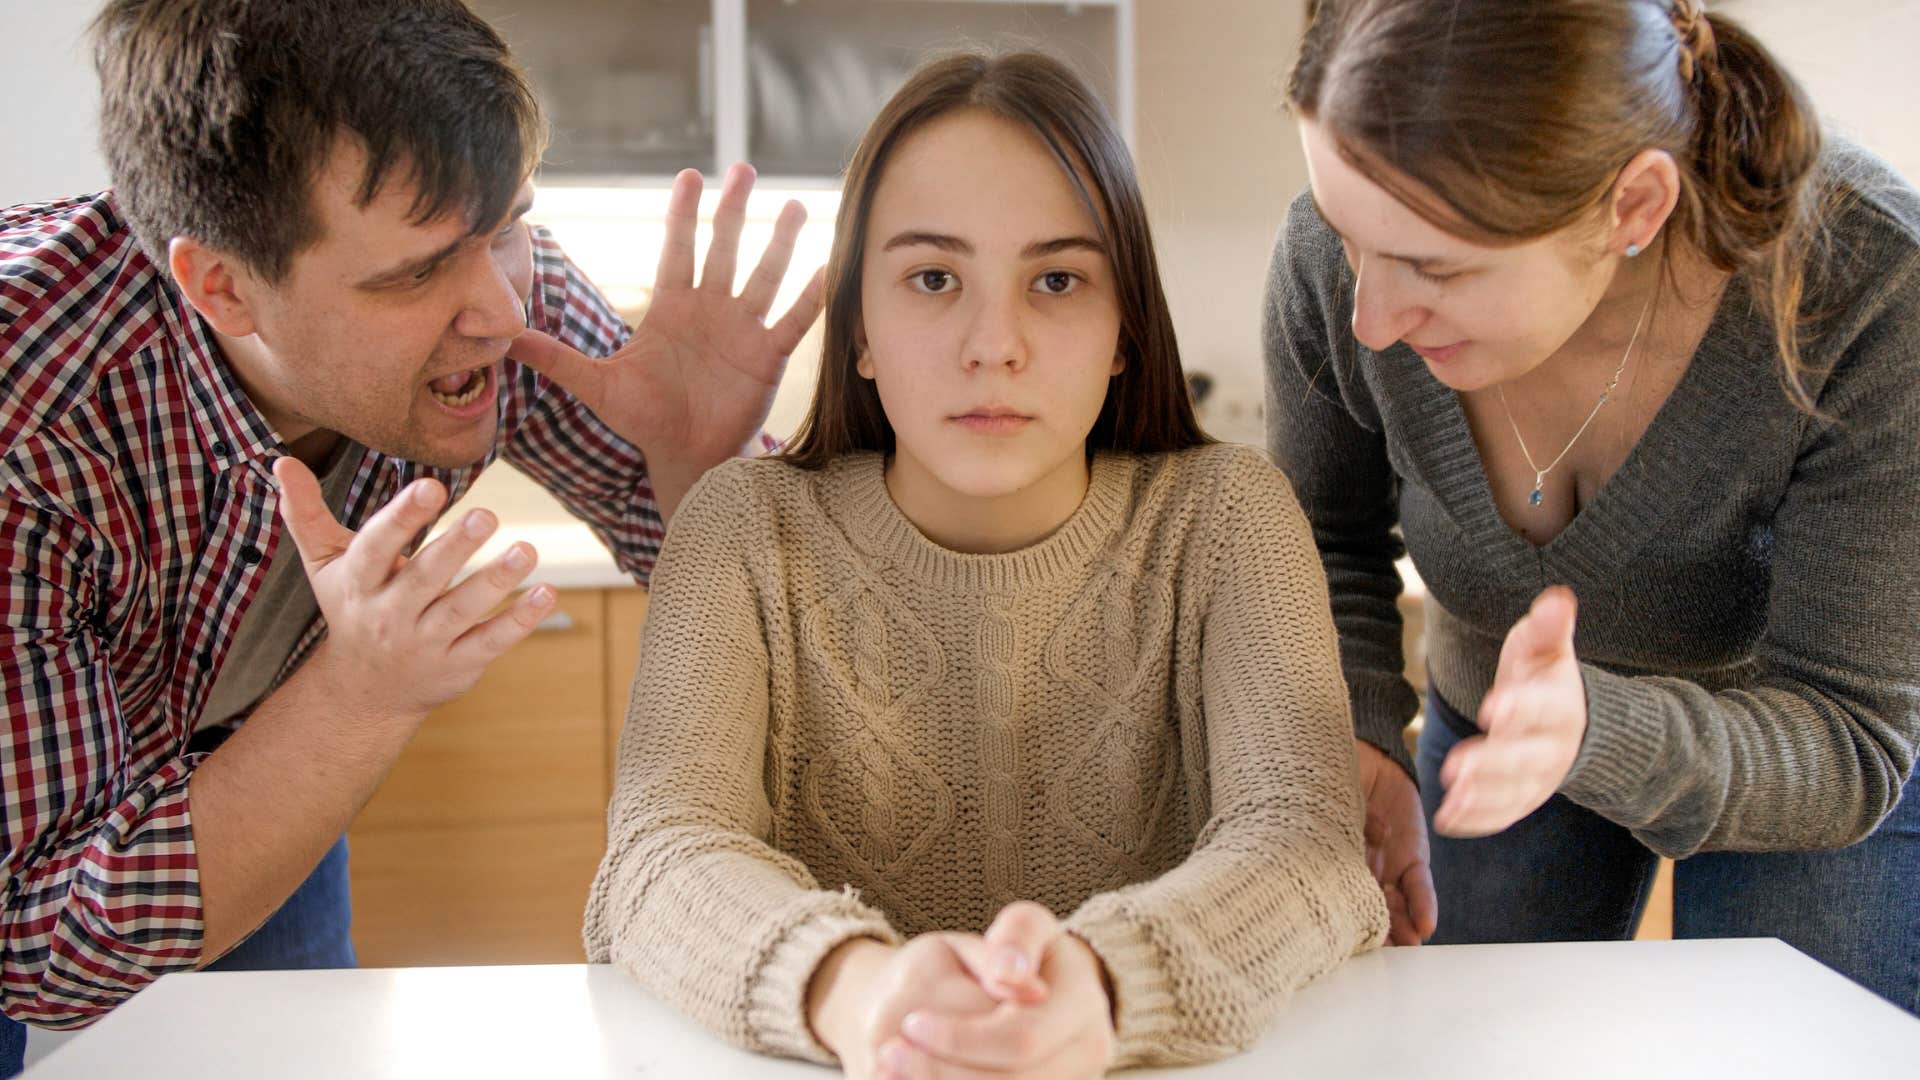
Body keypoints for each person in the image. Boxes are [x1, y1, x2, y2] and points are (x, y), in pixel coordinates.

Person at [0, 1, 821, 1070]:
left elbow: (776, 640)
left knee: (291, 1053)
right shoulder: (30, 419)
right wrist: (360, 693)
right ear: (224, 286)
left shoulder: (495, 297)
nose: (497, 306)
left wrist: (699, 474)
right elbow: (43, 946)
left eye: (510, 224)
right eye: (415, 273)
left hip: (249, 737)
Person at [583, 50, 1388, 1079]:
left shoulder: (1228, 519)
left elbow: (1306, 842)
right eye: (933, 279)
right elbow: (659, 854)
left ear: (1124, 332)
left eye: (1057, 279)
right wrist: (863, 990)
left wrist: (1097, 987)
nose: (993, 343)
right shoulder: (742, 530)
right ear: (861, 330)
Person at [1265, 0, 1920, 1011]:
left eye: (1437, 268)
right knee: (1464, 1043)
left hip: (1798, 748)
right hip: (1493, 720)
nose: (1372, 318)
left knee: (1784, 1040)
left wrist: (1595, 732)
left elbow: (1848, 735)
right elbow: (1325, 539)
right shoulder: (1337, 253)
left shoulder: (1871, 286)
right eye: (1348, 236)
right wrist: (1357, 731)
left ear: (1634, 208)